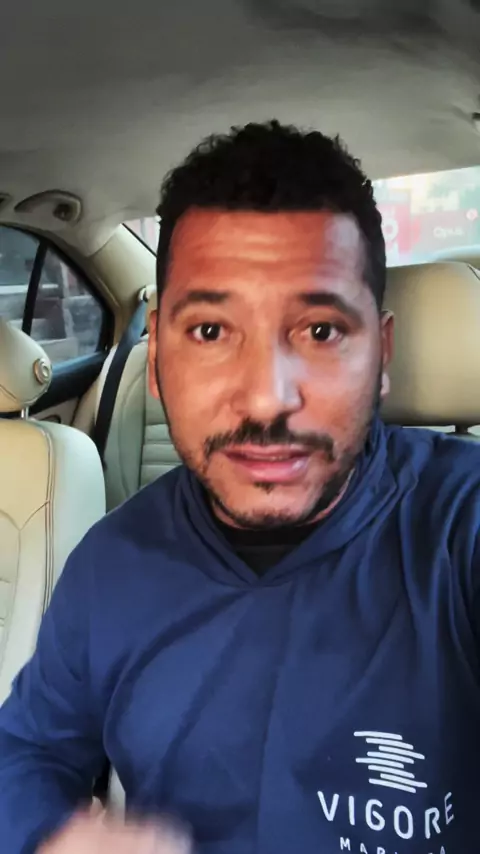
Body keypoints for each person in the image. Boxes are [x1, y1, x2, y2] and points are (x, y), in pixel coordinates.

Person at [0, 120, 479, 854]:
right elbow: (25, 752)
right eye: (211, 332)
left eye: (320, 331)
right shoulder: (111, 564)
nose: (265, 399)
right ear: (157, 358)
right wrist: (52, 833)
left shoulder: (458, 532)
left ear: (382, 354)